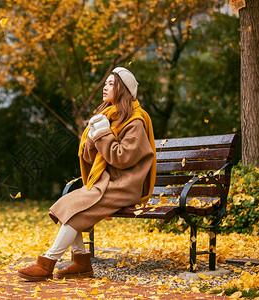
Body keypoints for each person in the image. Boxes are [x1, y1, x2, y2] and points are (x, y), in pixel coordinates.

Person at [17, 67, 157, 281]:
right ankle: (81, 263)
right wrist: (93, 138)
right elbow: (92, 159)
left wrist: (102, 133)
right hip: (107, 182)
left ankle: (47, 264)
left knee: (76, 214)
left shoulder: (136, 121)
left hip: (125, 186)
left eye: (111, 83)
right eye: (106, 83)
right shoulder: (110, 116)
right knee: (69, 205)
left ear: (123, 89)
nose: (105, 87)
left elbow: (121, 158)